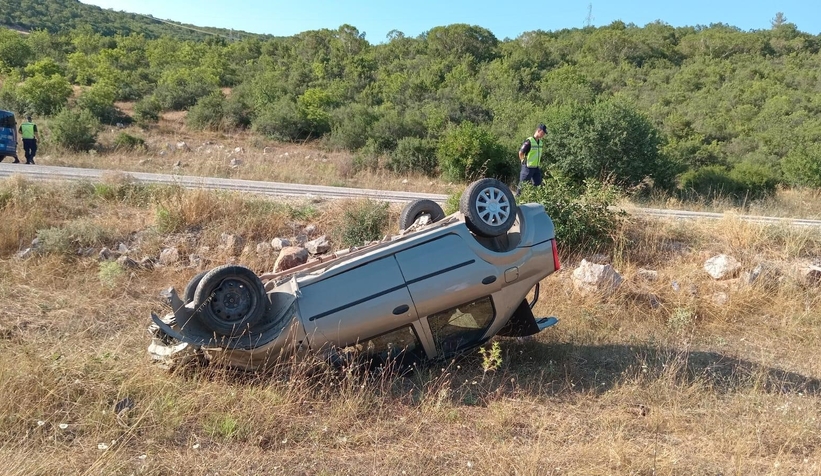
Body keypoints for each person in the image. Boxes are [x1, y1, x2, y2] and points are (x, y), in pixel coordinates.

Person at [517, 123, 547, 195]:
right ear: (539, 130)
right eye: (543, 133)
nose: (543, 135)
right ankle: (516, 201)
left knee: (538, 186)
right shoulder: (529, 141)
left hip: (536, 167)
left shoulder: (540, 143)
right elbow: (521, 152)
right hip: (527, 167)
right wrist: (522, 160)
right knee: (522, 186)